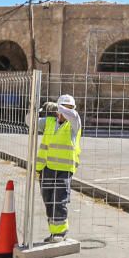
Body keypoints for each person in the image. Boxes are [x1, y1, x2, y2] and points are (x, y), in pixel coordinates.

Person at [34, 94, 82, 242]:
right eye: (64, 108)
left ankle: (61, 233)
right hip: (46, 168)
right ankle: (54, 232)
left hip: (64, 169)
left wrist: (59, 106)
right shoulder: (48, 122)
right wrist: (34, 108)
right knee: (48, 199)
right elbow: (30, 122)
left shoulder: (74, 123)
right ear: (56, 113)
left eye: (70, 107)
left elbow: (72, 114)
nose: (67, 111)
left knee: (59, 200)